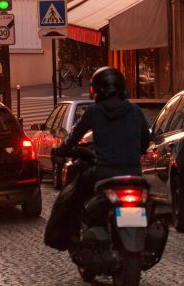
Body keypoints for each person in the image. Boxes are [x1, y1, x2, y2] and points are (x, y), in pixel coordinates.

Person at [45, 66, 151, 249]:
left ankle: (73, 233)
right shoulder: (135, 111)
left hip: (103, 173)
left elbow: (73, 136)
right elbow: (146, 139)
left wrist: (61, 149)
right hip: (134, 175)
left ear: (95, 90)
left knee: (75, 194)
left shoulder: (94, 111)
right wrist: (135, 154)